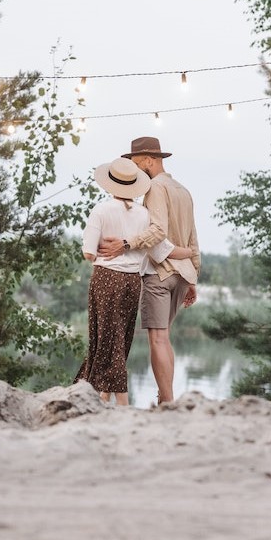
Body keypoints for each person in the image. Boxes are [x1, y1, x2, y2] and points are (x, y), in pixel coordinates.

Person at [76, 156, 193, 405]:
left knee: (102, 337)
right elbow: (162, 249)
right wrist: (189, 254)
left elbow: (88, 252)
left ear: (110, 184)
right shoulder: (144, 214)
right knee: (121, 336)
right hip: (132, 282)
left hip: (106, 279)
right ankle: (103, 393)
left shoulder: (101, 210)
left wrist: (99, 248)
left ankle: (118, 399)